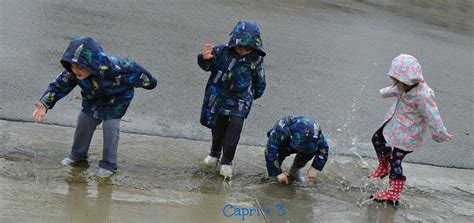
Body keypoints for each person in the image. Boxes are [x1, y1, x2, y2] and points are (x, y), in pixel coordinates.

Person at [32, 37, 157, 178]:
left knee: (110, 127)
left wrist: (150, 83)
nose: (76, 70)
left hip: (117, 100)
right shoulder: (73, 73)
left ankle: (108, 164)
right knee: (84, 122)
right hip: (93, 100)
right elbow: (59, 85)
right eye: (72, 66)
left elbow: (136, 71)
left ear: (92, 64)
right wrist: (44, 104)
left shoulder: (116, 68)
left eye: (80, 67)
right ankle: (77, 155)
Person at [369, 54, 454, 205]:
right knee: (377, 138)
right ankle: (384, 166)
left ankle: (393, 192)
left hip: (409, 135)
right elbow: (396, 90)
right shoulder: (405, 85)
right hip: (396, 125)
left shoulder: (423, 95)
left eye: (398, 82)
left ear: (408, 80)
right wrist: (385, 92)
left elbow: (433, 116)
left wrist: (440, 133)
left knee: (396, 160)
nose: (396, 85)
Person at [197, 21, 266, 178]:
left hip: (241, 98)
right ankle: (215, 153)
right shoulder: (222, 51)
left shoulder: (255, 59)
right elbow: (208, 67)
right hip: (220, 95)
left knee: (235, 125)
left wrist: (255, 93)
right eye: (240, 46)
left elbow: (259, 78)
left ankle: (227, 161)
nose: (243, 51)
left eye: (247, 48)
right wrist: (205, 59)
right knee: (218, 126)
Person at [264, 116, 329, 184]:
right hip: (286, 142)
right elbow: (270, 150)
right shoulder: (281, 130)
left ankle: (294, 170)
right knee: (279, 153)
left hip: (306, 142)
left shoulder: (317, 137)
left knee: (310, 152)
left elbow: (324, 150)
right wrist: (276, 172)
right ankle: (276, 166)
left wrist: (314, 168)